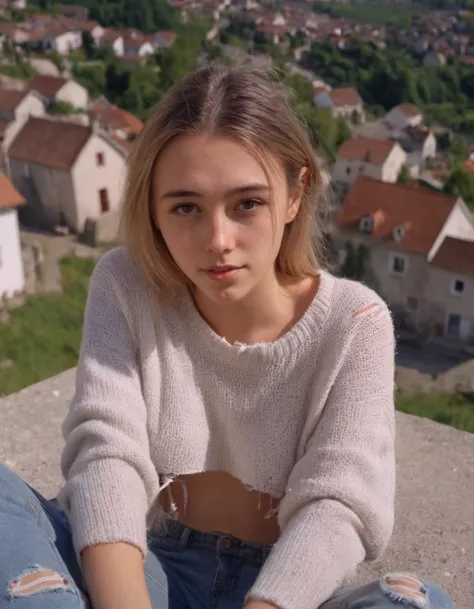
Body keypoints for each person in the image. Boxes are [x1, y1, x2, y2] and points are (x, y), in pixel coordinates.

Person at [0, 65, 453, 609]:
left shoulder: (353, 323)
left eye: (247, 204)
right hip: (145, 561)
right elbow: (107, 454)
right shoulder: (125, 285)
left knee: (415, 601)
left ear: (294, 193)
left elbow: (338, 504)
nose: (218, 240)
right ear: (153, 209)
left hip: (282, 587)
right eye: (186, 207)